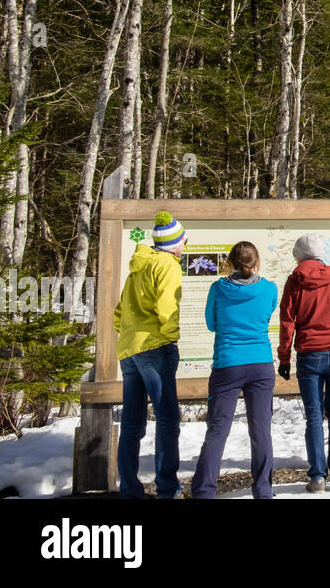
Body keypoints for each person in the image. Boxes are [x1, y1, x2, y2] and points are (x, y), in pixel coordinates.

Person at [190, 241, 279, 499]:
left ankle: (204, 491)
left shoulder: (218, 288)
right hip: (261, 363)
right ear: (257, 261)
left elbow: (210, 323)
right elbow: (267, 313)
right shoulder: (269, 289)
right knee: (261, 429)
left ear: (230, 261)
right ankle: (263, 489)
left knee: (218, 429)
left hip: (227, 363)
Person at [277, 234, 330, 493]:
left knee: (314, 416)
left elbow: (287, 321)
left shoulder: (295, 282)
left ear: (300, 256)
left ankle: (317, 477)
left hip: (310, 354)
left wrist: (284, 356)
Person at [114, 210, 185, 499]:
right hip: (155, 347)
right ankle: (167, 488)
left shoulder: (139, 265)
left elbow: (120, 310)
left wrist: (128, 334)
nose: (185, 245)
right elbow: (167, 305)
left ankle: (130, 489)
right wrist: (170, 336)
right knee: (167, 419)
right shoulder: (167, 265)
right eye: (183, 240)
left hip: (129, 349)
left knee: (132, 422)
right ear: (173, 243)